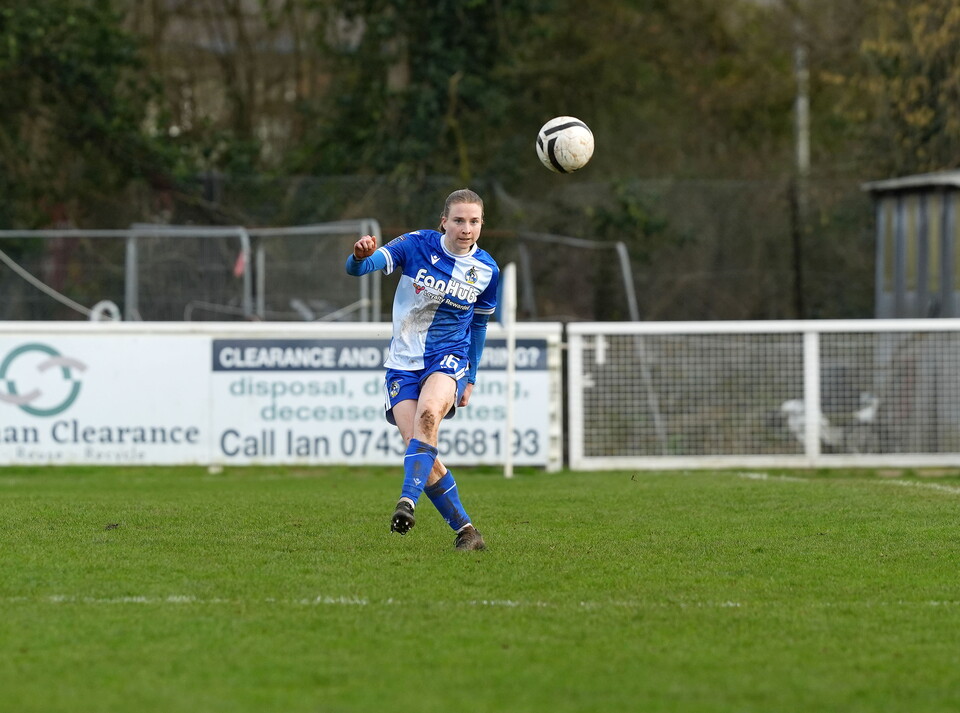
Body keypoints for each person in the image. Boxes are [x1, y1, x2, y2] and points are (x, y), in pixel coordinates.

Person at [345, 188, 499, 551]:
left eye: (474, 221)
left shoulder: (487, 270)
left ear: (482, 224)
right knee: (420, 449)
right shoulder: (416, 244)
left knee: (428, 416)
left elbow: (479, 326)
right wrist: (359, 256)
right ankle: (467, 531)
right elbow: (360, 268)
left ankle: (406, 502)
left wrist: (470, 377)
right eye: (458, 220)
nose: (466, 228)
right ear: (443, 222)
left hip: (448, 358)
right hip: (402, 363)